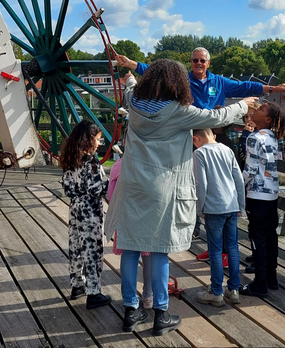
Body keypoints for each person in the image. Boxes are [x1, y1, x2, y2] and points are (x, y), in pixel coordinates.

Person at [104, 59, 255, 336]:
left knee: (129, 246)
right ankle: (161, 314)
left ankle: (130, 311)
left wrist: (129, 79)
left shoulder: (134, 104)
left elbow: (129, 90)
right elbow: (217, 118)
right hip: (163, 189)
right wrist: (244, 104)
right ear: (178, 83)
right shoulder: (179, 112)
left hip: (132, 185)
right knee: (159, 248)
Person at [115, 47, 285, 110]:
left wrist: (273, 89)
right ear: (191, 62)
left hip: (213, 129)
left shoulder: (219, 82)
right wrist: (131, 64)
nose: (199, 63)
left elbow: (246, 87)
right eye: (195, 60)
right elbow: (157, 72)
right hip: (189, 130)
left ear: (208, 63)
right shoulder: (181, 79)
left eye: (202, 60)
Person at [60, 120, 112, 310]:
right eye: (97, 140)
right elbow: (96, 187)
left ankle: (77, 285)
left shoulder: (70, 159)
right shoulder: (91, 162)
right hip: (90, 210)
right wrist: (111, 184)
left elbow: (67, 187)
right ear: (88, 140)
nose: (99, 144)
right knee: (92, 250)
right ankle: (94, 292)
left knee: (76, 247)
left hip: (75, 209)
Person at [192, 128, 245, 307]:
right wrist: (241, 204)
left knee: (215, 250)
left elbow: (201, 183)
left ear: (195, 139)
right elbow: (238, 178)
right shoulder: (227, 149)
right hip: (232, 205)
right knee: (232, 247)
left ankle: (216, 292)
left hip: (214, 208)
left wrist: (200, 209)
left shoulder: (199, 154)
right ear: (212, 135)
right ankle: (234, 289)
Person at [239, 101, 285, 298]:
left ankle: (259, 283)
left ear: (267, 119)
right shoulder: (273, 137)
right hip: (272, 192)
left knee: (256, 236)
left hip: (256, 194)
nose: (256, 110)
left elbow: (250, 170)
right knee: (270, 235)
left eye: (261, 109)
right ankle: (271, 277)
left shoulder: (253, 137)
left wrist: (237, 185)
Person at [106, 135, 154, 310]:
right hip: (147, 216)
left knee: (129, 255)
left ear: (126, 143)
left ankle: (130, 301)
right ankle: (149, 296)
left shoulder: (119, 165)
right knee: (148, 257)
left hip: (125, 216)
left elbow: (111, 196)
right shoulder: (151, 165)